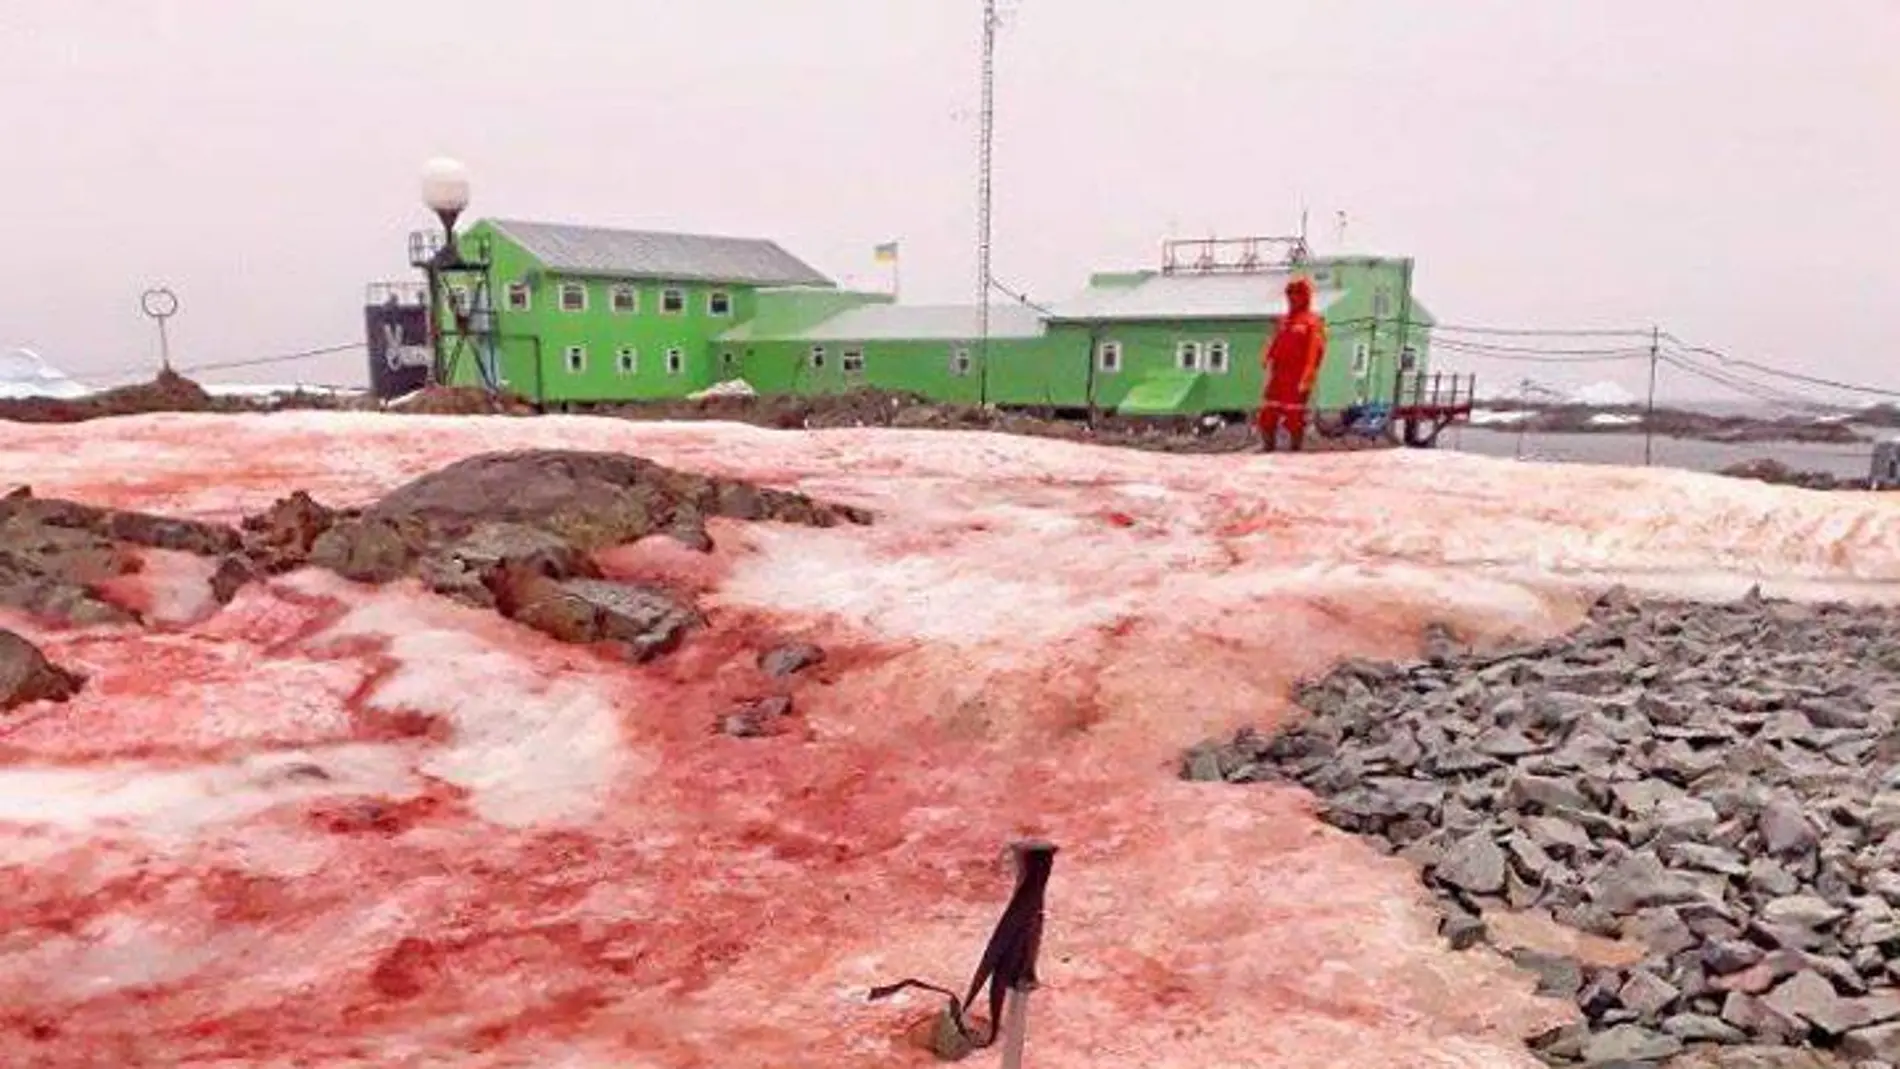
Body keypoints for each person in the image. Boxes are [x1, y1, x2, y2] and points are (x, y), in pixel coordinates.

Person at [1256, 276, 1329, 452]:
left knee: (1294, 414)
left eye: (1298, 294)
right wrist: (1266, 356)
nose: (1293, 298)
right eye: (1290, 294)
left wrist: (1309, 374)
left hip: (1298, 376)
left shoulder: (1313, 322)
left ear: (1306, 296)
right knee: (1268, 412)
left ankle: (1295, 449)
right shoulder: (1284, 321)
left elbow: (1315, 350)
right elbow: (1274, 341)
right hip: (1278, 374)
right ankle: (1268, 447)